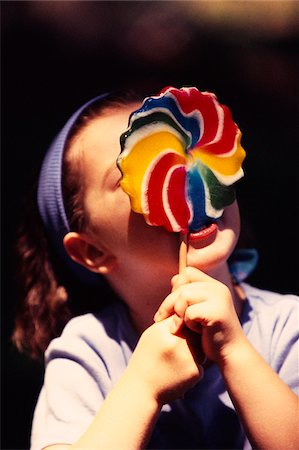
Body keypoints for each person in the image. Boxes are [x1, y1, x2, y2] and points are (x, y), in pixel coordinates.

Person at [13, 91, 298, 450]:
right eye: (132, 168)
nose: (182, 174)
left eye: (183, 145)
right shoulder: (89, 353)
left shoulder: (288, 326)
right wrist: (143, 388)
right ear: (92, 250)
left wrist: (235, 354)